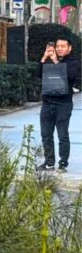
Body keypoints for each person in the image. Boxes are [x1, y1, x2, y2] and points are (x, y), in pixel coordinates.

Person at [38, 39, 81, 172]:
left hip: (63, 104)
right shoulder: (49, 61)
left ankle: (63, 163)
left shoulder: (73, 63)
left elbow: (69, 76)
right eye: (58, 46)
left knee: (62, 135)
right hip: (47, 103)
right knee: (46, 134)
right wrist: (44, 58)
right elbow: (38, 74)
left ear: (69, 48)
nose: (60, 48)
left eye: (63, 46)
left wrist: (56, 61)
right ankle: (49, 162)